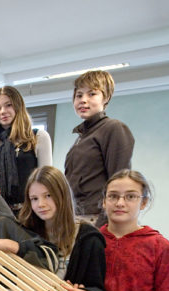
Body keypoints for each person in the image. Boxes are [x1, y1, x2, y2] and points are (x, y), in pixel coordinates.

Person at [17, 166, 109, 291]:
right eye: (34, 198)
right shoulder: (24, 231)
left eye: (48, 196)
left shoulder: (89, 238)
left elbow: (98, 289)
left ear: (62, 195)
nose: (41, 204)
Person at [64, 70, 135, 226]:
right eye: (79, 95)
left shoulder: (113, 129)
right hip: (74, 218)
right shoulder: (81, 137)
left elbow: (119, 182)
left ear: (106, 98)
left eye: (92, 94)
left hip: (96, 220)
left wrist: (104, 226)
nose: (83, 100)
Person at [0, 86, 53, 217]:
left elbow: (46, 181)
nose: (3, 111)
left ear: (18, 106)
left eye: (8, 105)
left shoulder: (38, 137)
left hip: (30, 211)